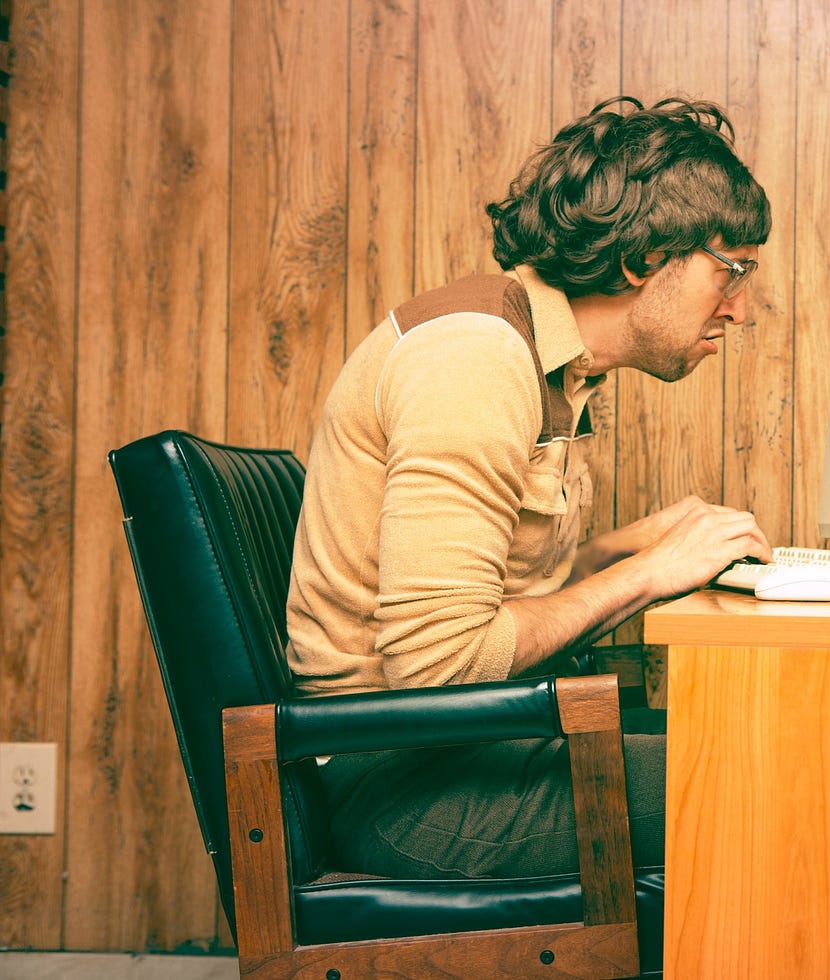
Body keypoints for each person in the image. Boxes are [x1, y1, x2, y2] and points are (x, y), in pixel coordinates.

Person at [284, 96, 773, 879]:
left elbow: (497, 598)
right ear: (645, 257)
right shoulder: (475, 359)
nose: (741, 307)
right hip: (406, 784)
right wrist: (645, 575)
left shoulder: (546, 361)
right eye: (732, 269)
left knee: (757, 742)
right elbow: (441, 664)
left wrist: (627, 546)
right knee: (773, 782)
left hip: (465, 747)